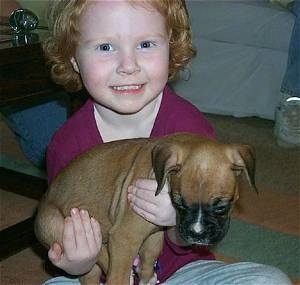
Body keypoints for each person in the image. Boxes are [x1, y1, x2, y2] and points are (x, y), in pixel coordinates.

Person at [41, 1, 292, 284]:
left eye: (146, 44)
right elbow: (62, 235)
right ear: (73, 58)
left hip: (179, 272)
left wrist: (174, 217)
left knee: (269, 280)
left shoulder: (191, 130)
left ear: (172, 49)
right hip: (96, 274)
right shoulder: (67, 142)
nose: (128, 66)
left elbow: (194, 238)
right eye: (105, 47)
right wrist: (79, 261)